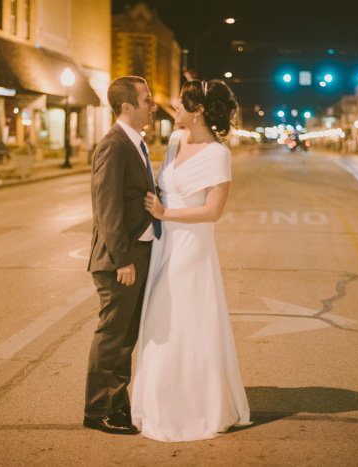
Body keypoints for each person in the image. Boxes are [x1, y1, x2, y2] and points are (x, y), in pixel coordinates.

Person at [132, 79, 251, 442]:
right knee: (158, 322)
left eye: (181, 103)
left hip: (191, 245)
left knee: (181, 320)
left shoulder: (218, 154)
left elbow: (212, 211)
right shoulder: (174, 140)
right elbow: (161, 187)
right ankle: (157, 400)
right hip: (164, 244)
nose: (175, 107)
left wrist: (166, 214)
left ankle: (192, 407)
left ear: (198, 110)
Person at [84, 76, 159, 435]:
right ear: (127, 106)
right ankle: (96, 411)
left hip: (137, 253)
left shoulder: (136, 142)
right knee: (112, 336)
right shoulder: (114, 145)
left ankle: (117, 404)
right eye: (147, 100)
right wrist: (123, 259)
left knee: (125, 337)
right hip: (120, 259)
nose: (152, 105)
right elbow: (107, 207)